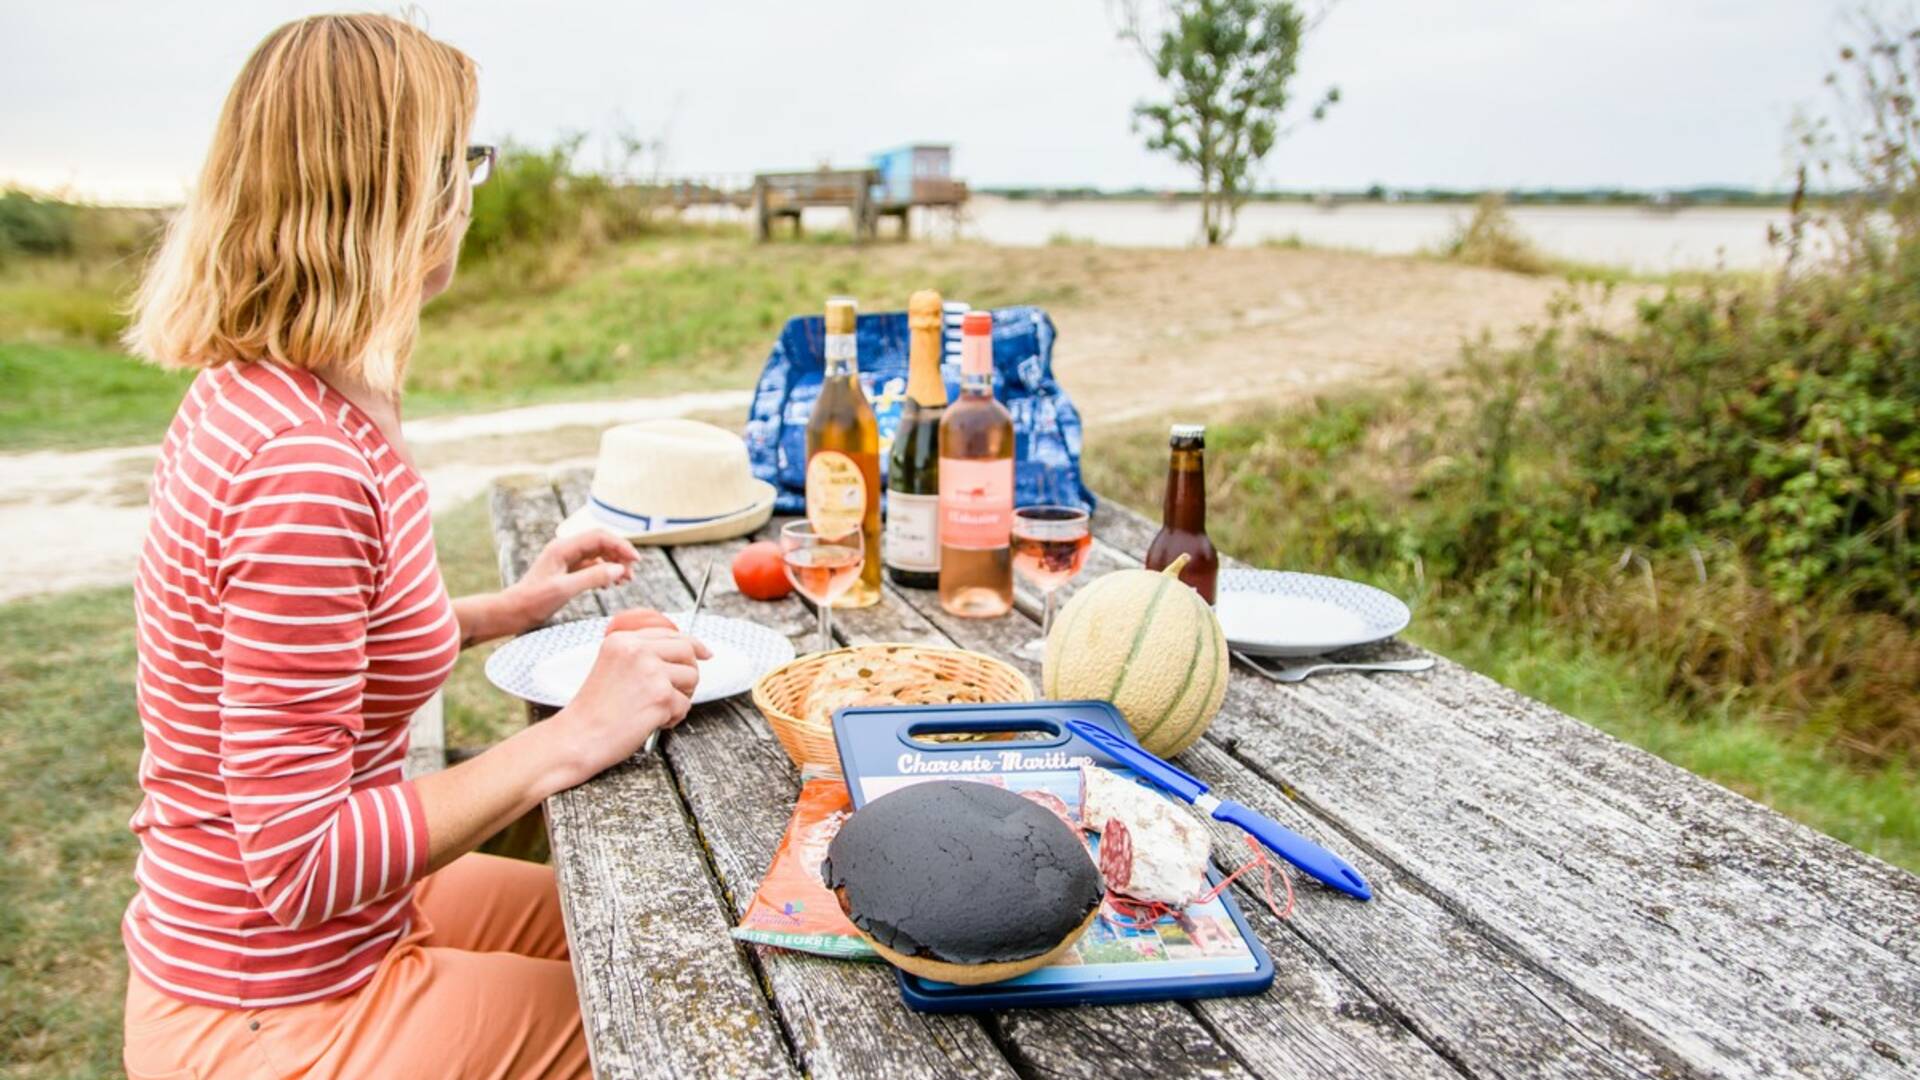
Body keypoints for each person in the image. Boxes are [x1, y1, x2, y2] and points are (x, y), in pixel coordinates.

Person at [116, 14, 704, 1078]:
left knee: (678, 937)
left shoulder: (293, 393)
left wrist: (508, 610)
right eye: (463, 159)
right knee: (686, 1027)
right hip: (276, 1001)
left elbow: (313, 646)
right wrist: (575, 733)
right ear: (397, 193)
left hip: (350, 931)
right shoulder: (300, 464)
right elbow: (297, 860)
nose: (472, 194)